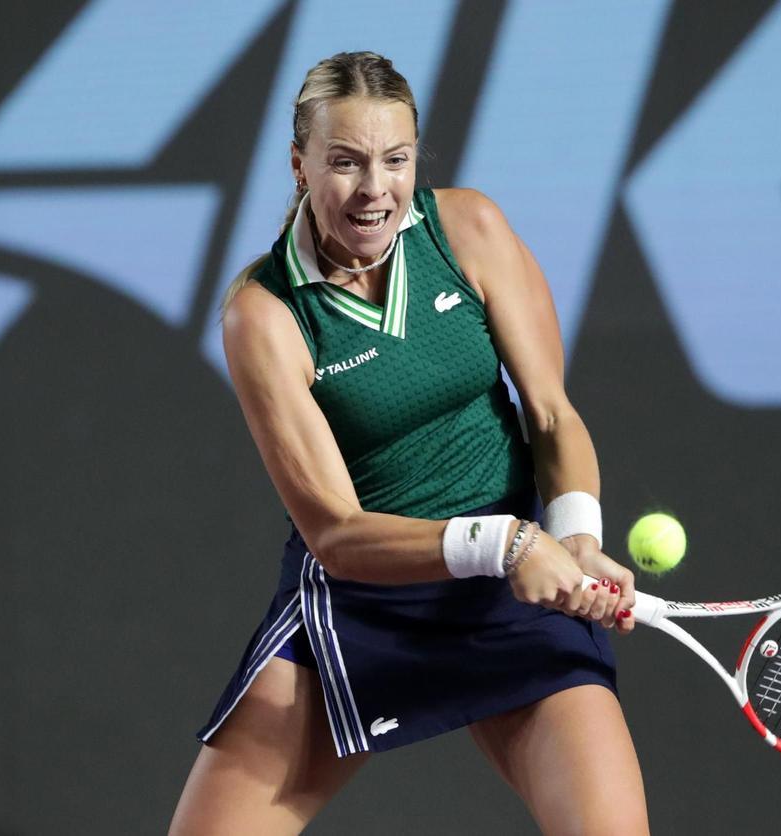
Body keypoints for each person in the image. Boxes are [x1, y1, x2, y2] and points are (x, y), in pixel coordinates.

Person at [168, 51, 649, 835]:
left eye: (395, 160)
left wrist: (576, 539)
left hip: (513, 586)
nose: (374, 190)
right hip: (366, 599)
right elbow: (336, 534)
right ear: (299, 165)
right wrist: (507, 544)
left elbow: (553, 415)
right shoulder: (264, 317)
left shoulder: (470, 228)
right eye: (345, 163)